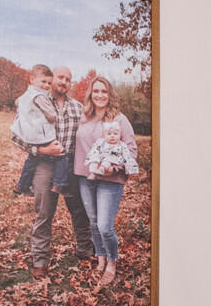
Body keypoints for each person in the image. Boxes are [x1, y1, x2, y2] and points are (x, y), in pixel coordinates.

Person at [12, 65, 87, 264]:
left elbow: (88, 135)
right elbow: (16, 136)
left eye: (68, 79)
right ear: (51, 79)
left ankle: (85, 249)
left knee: (79, 209)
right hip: (44, 164)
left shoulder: (78, 108)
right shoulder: (33, 102)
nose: (63, 82)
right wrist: (42, 150)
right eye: (60, 77)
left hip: (70, 164)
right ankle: (40, 259)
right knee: (44, 212)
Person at [71, 76, 140, 286]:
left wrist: (115, 168)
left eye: (104, 91)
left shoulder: (119, 119)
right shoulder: (83, 117)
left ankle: (111, 261)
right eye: (96, 91)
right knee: (93, 221)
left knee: (104, 226)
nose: (100, 95)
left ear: (110, 95)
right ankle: (100, 256)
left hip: (110, 179)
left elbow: (132, 150)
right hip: (85, 175)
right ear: (91, 94)